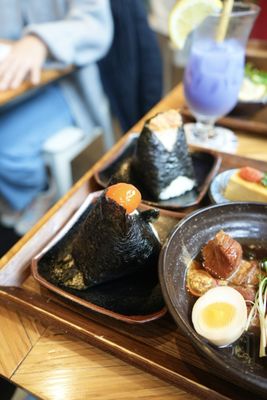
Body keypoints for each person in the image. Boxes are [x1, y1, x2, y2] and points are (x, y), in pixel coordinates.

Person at [0, 0, 113, 235]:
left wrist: (39, 40)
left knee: (5, 145)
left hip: (68, 85)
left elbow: (96, 26)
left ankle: (34, 197)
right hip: (15, 82)